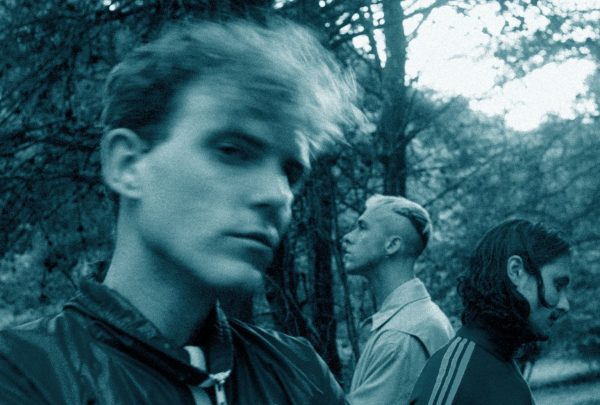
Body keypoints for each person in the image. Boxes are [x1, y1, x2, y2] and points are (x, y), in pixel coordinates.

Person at [0, 18, 360, 404]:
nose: (278, 195)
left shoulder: (299, 375)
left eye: (290, 172)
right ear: (127, 164)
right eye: (231, 151)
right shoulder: (25, 374)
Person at [410, 219, 572, 405]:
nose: (564, 305)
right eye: (558, 285)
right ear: (516, 271)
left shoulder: (500, 363)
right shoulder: (454, 378)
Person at [343, 195, 454, 405]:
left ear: (392, 245)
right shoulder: (419, 318)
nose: (348, 237)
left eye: (362, 227)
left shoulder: (401, 336)